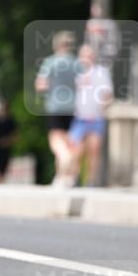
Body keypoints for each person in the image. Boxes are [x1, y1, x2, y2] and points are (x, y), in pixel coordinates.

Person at [35, 30, 80, 187]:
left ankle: (65, 162)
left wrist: (51, 88)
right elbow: (83, 85)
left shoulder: (50, 62)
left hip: (55, 106)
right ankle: (63, 177)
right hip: (74, 108)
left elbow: (40, 85)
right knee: (70, 141)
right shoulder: (77, 63)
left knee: (56, 141)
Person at [68, 44, 113, 187]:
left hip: (96, 117)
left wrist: (102, 107)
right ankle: (74, 178)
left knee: (94, 151)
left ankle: (91, 181)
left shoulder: (101, 72)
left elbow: (107, 94)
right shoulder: (76, 73)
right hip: (80, 117)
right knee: (76, 151)